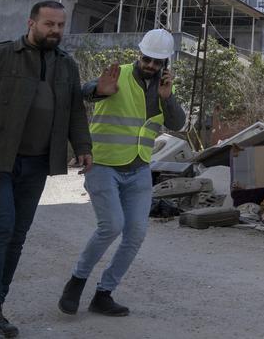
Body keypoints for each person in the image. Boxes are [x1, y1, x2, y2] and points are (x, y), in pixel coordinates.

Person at [0, 0, 93, 339]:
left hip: (37, 164)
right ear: (31, 23)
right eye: (49, 24)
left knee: (16, 237)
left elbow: (74, 112)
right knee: (0, 229)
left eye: (60, 25)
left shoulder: (67, 65)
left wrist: (83, 147)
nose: (55, 31)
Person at [58, 28, 186, 318]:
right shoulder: (118, 75)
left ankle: (104, 294)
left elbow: (177, 123)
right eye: (147, 58)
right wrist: (97, 90)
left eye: (157, 61)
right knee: (112, 226)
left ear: (166, 62)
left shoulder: (166, 87)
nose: (151, 65)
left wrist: (167, 98)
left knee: (136, 233)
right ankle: (76, 282)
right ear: (139, 54)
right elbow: (85, 92)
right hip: (103, 164)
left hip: (139, 168)